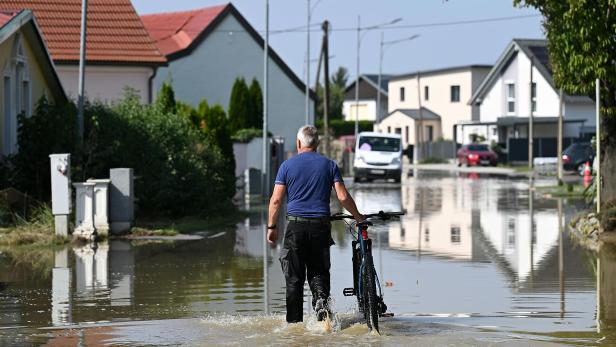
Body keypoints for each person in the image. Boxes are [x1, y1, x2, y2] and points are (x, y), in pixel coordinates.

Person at [267, 125, 364, 324]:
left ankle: (294, 328)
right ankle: (321, 303)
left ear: (298, 143)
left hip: (295, 227)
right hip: (320, 227)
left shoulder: (286, 166)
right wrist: (358, 217)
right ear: (317, 143)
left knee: (294, 279)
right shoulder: (329, 165)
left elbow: (276, 200)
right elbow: (343, 196)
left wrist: (271, 227)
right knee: (319, 272)